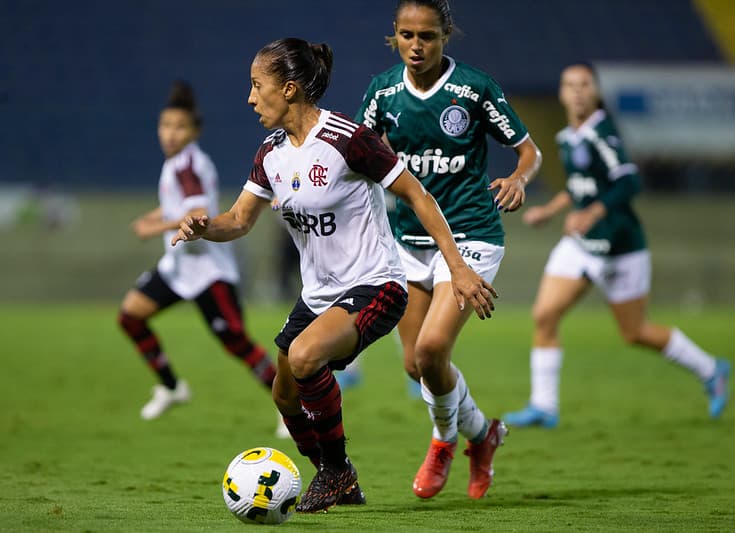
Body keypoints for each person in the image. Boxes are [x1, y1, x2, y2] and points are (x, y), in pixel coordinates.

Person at [171, 37, 497, 513]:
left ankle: (337, 471)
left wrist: (458, 266)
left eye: (255, 86)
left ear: (287, 89)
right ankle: (335, 474)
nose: (249, 97)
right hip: (319, 293)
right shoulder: (271, 153)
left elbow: (418, 195)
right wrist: (204, 226)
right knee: (284, 393)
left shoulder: (348, 140)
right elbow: (239, 221)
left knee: (304, 357)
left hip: (376, 285)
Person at [354, 0, 542, 500]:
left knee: (433, 350)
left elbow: (529, 150)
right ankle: (484, 434)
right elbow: (357, 156)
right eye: (407, 35)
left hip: (471, 234)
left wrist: (520, 178)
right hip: (408, 241)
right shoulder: (383, 91)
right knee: (417, 366)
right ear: (394, 36)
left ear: (446, 36)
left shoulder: (474, 89)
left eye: (428, 36)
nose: (417, 46)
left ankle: (443, 441)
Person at [503, 62, 730, 428]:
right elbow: (581, 186)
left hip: (621, 244)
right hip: (581, 245)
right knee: (544, 315)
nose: (577, 91)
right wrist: (550, 209)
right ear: (561, 93)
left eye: (584, 84)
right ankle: (544, 406)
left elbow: (628, 183)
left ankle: (711, 370)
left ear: (595, 92)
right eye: (570, 85)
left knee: (635, 332)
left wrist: (591, 213)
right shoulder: (566, 138)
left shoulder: (603, 134)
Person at [117, 80, 279, 426]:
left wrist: (153, 227)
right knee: (130, 316)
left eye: (180, 127)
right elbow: (176, 205)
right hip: (178, 268)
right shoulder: (178, 163)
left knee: (236, 342)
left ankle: (289, 406)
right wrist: (156, 215)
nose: (171, 134)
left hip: (208, 270)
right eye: (166, 126)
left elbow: (197, 214)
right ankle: (172, 387)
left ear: (195, 131)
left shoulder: (188, 165)